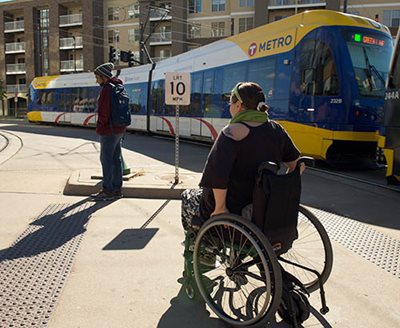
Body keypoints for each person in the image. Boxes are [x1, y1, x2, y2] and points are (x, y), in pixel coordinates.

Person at [181, 82, 301, 231]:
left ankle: (203, 250)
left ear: (238, 105)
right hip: (265, 210)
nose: (229, 107)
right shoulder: (276, 130)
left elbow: (217, 174)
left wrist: (220, 208)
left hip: (234, 213)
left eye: (231, 103)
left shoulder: (232, 132)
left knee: (188, 197)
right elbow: (297, 164)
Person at [91, 62, 126, 201]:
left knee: (106, 159)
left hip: (108, 130)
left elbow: (104, 113)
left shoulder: (106, 89)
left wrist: (100, 127)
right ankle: (117, 189)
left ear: (104, 77)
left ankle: (107, 190)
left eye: (97, 77)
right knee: (116, 158)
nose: (96, 80)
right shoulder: (119, 86)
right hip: (119, 128)